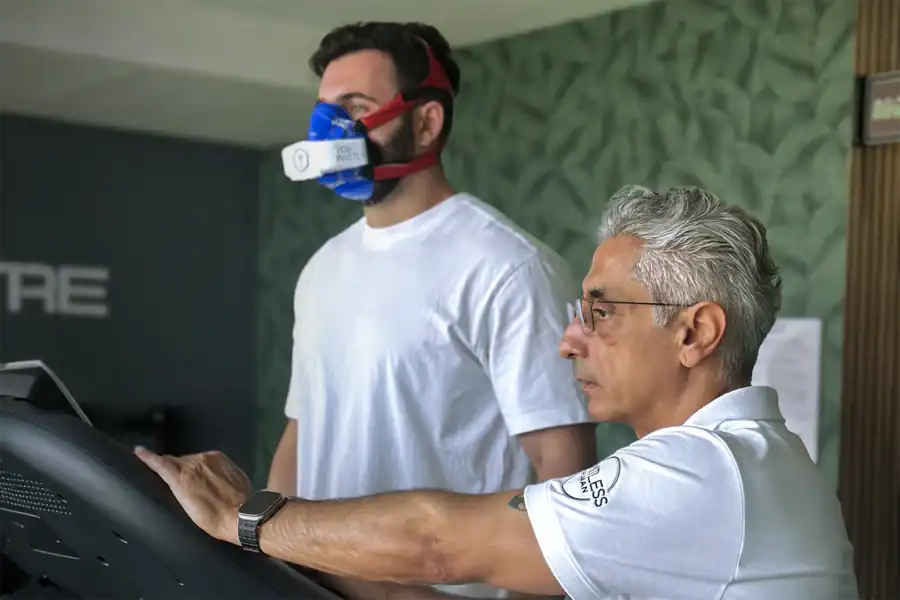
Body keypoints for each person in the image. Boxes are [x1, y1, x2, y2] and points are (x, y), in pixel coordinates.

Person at [138, 185, 859, 599]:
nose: (569, 341)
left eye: (602, 312)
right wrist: (310, 556)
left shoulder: (701, 473)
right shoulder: (748, 463)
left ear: (695, 332)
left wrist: (243, 515)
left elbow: (437, 542)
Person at [265, 21, 597, 598]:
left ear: (426, 122)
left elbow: (562, 472)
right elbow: (303, 431)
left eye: (355, 106)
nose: (328, 129)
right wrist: (265, 558)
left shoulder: (507, 266)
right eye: (325, 109)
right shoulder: (322, 268)